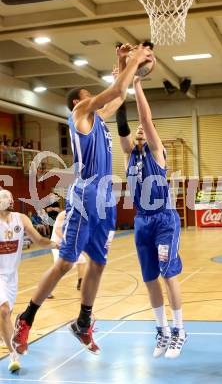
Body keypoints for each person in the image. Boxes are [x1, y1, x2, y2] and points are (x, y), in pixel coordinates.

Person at [12, 44, 153, 356]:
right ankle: (26, 318)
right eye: (89, 95)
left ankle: (82, 321)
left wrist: (123, 65)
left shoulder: (99, 120)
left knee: (99, 263)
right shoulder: (79, 114)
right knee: (64, 262)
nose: (95, 99)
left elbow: (118, 96)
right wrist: (130, 64)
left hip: (104, 201)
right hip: (86, 196)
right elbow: (114, 89)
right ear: (79, 101)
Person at [116, 74, 186, 359]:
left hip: (164, 220)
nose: (140, 132)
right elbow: (121, 125)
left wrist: (136, 86)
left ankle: (180, 331)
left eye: (145, 130)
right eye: (139, 132)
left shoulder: (158, 153)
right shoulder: (128, 155)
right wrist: (119, 84)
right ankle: (163, 331)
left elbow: (145, 119)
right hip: (142, 222)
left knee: (169, 275)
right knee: (149, 279)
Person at [0, 189, 57, 372]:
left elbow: (39, 240)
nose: (8, 200)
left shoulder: (21, 219)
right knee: (3, 311)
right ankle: (13, 356)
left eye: (9, 197)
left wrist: (56, 244)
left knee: (5, 315)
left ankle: (6, 334)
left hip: (12, 277)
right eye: (4, 198)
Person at [51, 210, 86, 291]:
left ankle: (80, 283)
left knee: (82, 260)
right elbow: (57, 231)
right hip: (58, 244)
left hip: (68, 244)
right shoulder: (63, 214)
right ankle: (46, 289)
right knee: (60, 268)